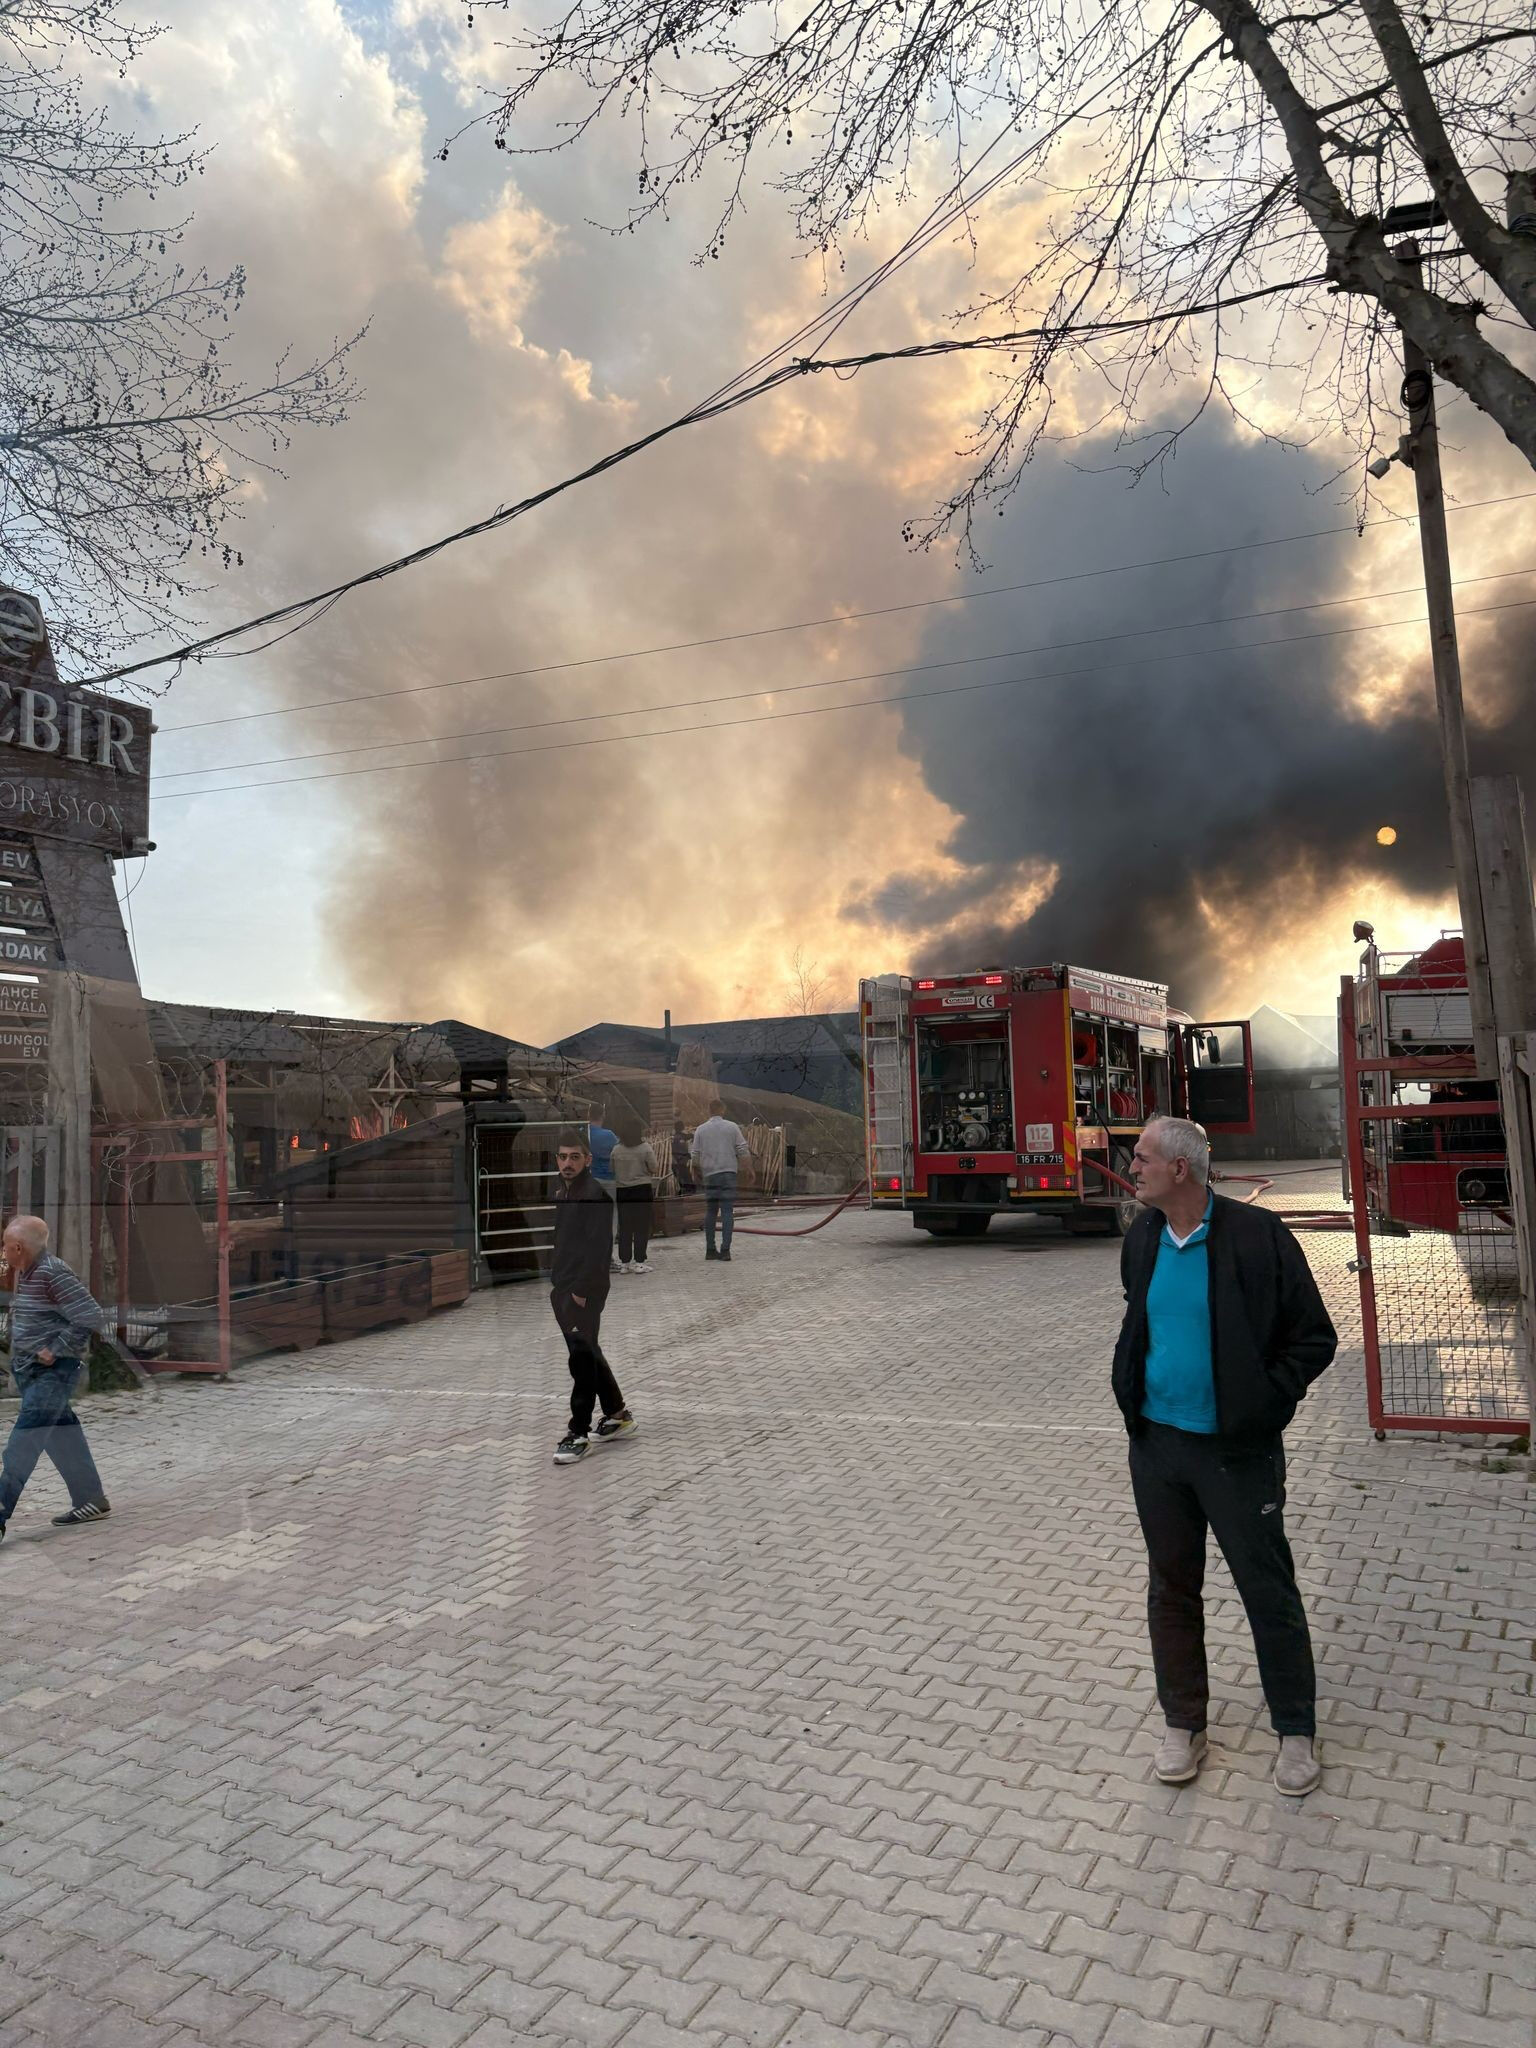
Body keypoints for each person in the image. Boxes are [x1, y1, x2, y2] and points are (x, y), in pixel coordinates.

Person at [1114, 1116, 1336, 1796]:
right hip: (1157, 1448)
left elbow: (1314, 1338)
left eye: (1144, 1157)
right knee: (1171, 1589)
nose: (1134, 1166)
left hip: (1236, 1455)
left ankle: (1294, 1732)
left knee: (1266, 1591)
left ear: (1181, 1168)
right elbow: (1140, 1316)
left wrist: (1263, 1404)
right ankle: (1185, 1723)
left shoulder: (1256, 1237)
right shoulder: (1142, 1237)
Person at [0, 1216, 111, 1540]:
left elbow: (90, 1315)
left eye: (5, 1246)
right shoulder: (29, 1272)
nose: (3, 1252)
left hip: (52, 1373)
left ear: (18, 1247)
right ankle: (91, 1500)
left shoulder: (52, 1271)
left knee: (24, 1442)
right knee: (63, 1438)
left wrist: (55, 1348)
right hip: (33, 1372)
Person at [547, 1130, 636, 1465]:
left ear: (588, 1159)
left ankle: (578, 1432)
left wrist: (580, 1293)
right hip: (564, 1288)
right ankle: (617, 1415)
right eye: (562, 1156)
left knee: (581, 1361)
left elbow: (599, 1250)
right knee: (589, 1353)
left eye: (574, 1157)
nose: (567, 1163)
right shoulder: (563, 1190)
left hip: (584, 1291)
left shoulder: (594, 1195)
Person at [690, 1099, 750, 1261]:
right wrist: (749, 1169)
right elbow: (742, 1149)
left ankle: (710, 1249)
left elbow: (695, 1154)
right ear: (722, 1110)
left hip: (710, 1175)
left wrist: (695, 1172)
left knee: (710, 1211)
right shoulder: (732, 1127)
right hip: (728, 1173)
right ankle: (725, 1251)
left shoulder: (701, 1130)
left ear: (709, 1110)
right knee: (727, 1211)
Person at [611, 1113, 659, 1274]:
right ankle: (639, 1262)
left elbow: (612, 1170)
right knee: (641, 1226)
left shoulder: (616, 1150)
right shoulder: (645, 1148)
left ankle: (624, 1263)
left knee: (625, 1228)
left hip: (622, 1191)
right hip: (642, 1190)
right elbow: (654, 1167)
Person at [670, 1120, 693, 1196]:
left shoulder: (676, 1136)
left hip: (676, 1161)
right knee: (686, 1177)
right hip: (680, 1161)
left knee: (681, 1178)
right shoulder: (679, 1137)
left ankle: (684, 1191)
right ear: (681, 1127)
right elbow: (688, 1137)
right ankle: (688, 1192)